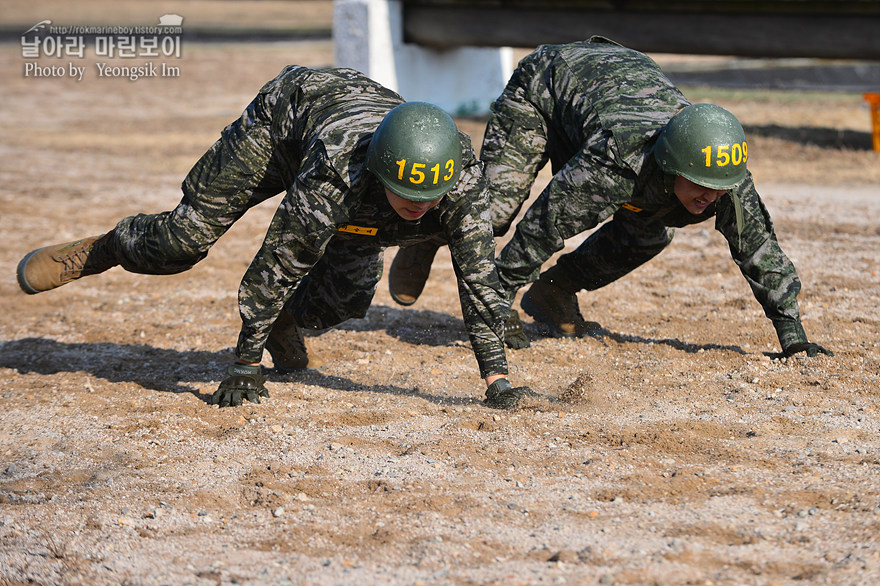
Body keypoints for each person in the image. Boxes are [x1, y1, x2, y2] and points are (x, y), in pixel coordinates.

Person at [16, 65, 535, 409]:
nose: (417, 207)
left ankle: (289, 321)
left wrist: (497, 380)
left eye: (428, 199)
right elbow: (280, 261)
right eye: (404, 195)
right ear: (380, 173)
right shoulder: (338, 173)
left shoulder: (462, 181)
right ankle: (104, 249)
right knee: (182, 242)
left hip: (363, 144)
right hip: (281, 126)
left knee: (347, 296)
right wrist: (246, 362)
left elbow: (479, 279)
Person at [388, 37, 832, 359]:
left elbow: (759, 248)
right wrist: (496, 300)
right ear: (672, 166)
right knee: (498, 211)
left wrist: (791, 334)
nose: (709, 196)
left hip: (615, 83)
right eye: (698, 186)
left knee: (647, 234)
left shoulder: (723, 171)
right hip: (545, 86)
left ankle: (554, 293)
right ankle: (427, 234)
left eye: (717, 188)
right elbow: (548, 221)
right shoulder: (619, 160)